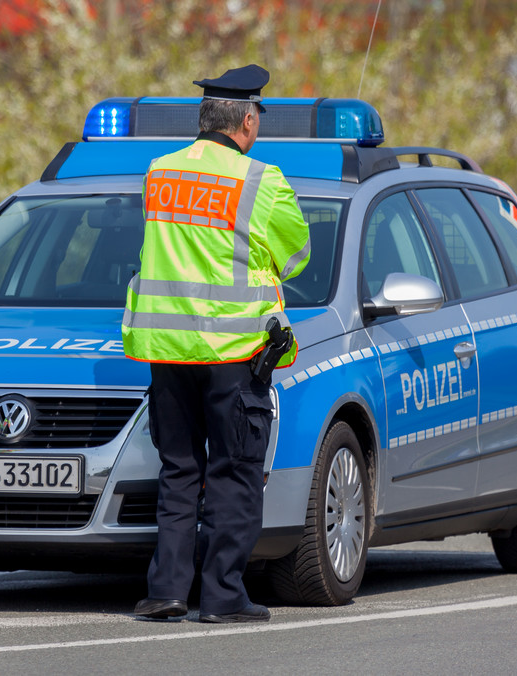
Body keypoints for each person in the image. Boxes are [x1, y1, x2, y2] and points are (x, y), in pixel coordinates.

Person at [122, 64, 310, 623]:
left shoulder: (159, 173)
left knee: (179, 471)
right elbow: (296, 253)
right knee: (234, 472)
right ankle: (223, 596)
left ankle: (167, 592)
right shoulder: (261, 179)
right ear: (248, 121)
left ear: (204, 119)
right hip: (233, 354)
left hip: (167, 351)